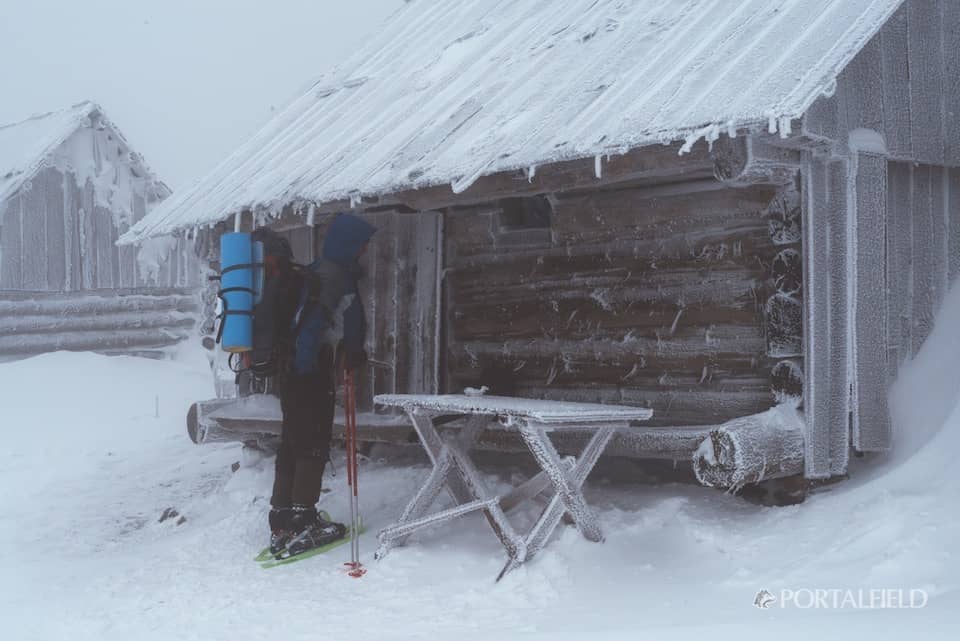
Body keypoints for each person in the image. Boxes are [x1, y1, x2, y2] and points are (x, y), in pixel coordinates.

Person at [267, 213, 376, 556]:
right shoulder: (337, 277)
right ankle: (303, 520)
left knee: (292, 441)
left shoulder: (316, 269)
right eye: (362, 244)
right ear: (350, 244)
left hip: (290, 369)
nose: (365, 250)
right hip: (309, 369)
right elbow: (322, 323)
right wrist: (346, 354)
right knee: (312, 442)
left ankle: (282, 517)